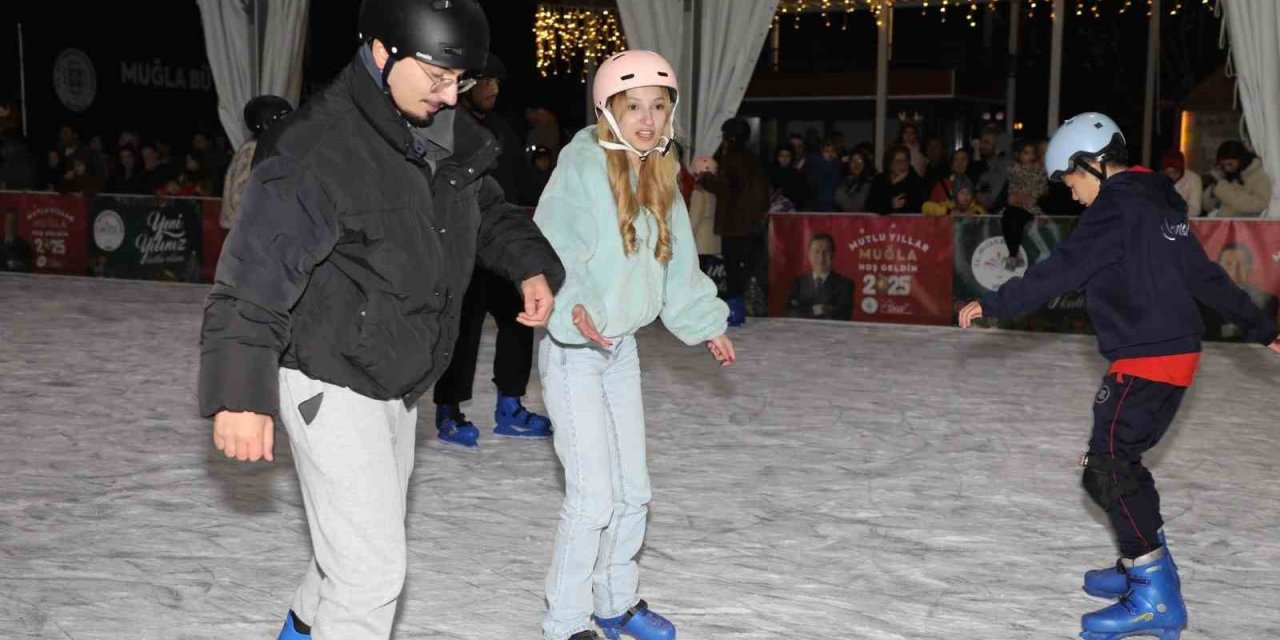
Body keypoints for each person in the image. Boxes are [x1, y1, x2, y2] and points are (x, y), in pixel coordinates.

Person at [196, 1, 565, 638]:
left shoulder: (440, 130)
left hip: (394, 374)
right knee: (370, 572)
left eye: (461, 81)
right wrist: (238, 394)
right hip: (326, 374)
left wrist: (529, 262)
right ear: (380, 52)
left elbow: (486, 208)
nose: (451, 95)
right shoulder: (317, 149)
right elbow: (251, 278)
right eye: (437, 76)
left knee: (354, 553)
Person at [958, 112, 1280, 640]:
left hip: (1145, 359)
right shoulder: (1158, 205)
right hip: (1175, 354)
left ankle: (1154, 596)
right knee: (1121, 462)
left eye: (1072, 180)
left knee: (1106, 469)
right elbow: (1206, 277)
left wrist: (995, 303)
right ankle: (1144, 565)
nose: (1073, 194)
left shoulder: (1113, 210)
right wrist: (1262, 328)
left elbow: (1060, 269)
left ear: (1094, 164)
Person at [533, 49, 736, 640]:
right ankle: (565, 624)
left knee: (633, 491)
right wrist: (576, 309)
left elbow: (677, 263)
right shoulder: (580, 163)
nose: (647, 118)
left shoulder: (661, 170)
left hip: (620, 350)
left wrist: (704, 322)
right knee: (593, 497)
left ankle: (614, 602)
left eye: (658, 106)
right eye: (634, 105)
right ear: (609, 109)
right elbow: (554, 247)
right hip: (574, 352)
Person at [432, 52, 553, 447]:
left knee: (519, 321)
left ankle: (510, 406)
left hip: (499, 250)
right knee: (461, 331)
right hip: (463, 249)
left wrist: (547, 174)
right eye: (486, 81)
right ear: (465, 84)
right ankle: (448, 410)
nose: (494, 89)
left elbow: (521, 189)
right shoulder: (445, 128)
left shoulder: (503, 131)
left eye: (498, 82)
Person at [696, 117, 769, 321]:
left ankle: (735, 310)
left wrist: (705, 178)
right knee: (744, 266)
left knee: (733, 268)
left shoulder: (732, 159)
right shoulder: (753, 158)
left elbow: (726, 188)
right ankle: (741, 307)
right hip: (750, 223)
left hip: (734, 223)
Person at [220, 95, 293, 229]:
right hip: (253, 234)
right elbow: (239, 197)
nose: (290, 124)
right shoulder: (252, 152)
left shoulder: (269, 149)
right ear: (266, 123)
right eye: (284, 119)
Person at [786, 232, 853, 320]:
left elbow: (842, 315)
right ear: (809, 255)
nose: (821, 257)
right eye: (816, 251)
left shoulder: (845, 284)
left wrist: (805, 310)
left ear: (833, 255)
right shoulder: (798, 282)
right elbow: (791, 313)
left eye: (826, 252)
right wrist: (817, 310)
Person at [1203, 140, 1272, 218]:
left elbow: (1260, 204)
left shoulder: (1258, 176)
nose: (1227, 168)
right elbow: (1208, 206)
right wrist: (1214, 185)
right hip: (1221, 224)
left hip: (1243, 226)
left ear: (1241, 159)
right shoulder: (1225, 175)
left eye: (1230, 164)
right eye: (1223, 165)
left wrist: (1222, 184)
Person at [1161, 149, 1202, 218]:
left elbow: (1195, 210)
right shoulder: (1158, 179)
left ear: (1181, 169)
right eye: (1168, 173)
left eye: (1175, 172)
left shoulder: (1193, 179)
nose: (1171, 176)